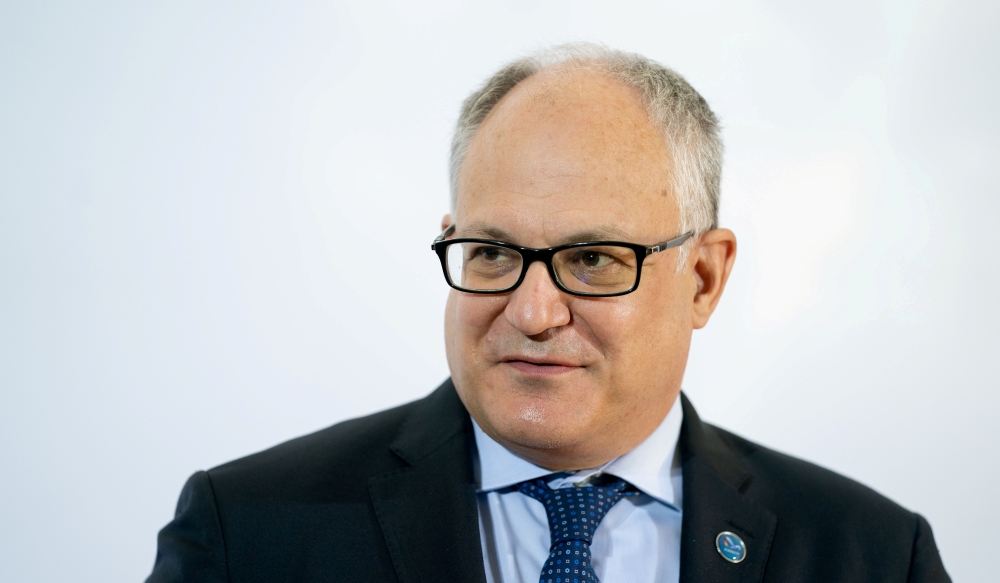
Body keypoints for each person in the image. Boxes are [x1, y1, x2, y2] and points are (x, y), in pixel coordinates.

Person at [146, 44, 950, 583]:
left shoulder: (872, 554)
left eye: (592, 259)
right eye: (493, 253)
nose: (531, 311)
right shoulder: (248, 533)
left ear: (703, 277)